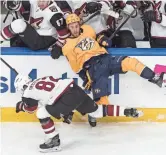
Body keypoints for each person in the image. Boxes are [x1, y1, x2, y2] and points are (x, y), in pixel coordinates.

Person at [51, 13, 166, 126]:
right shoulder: (67, 46)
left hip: (106, 58)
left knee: (130, 62)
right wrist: (86, 77)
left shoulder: (87, 29)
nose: (75, 29)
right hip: (94, 68)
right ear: (68, 27)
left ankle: (155, 78)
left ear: (79, 24)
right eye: (72, 27)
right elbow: (76, 68)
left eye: (76, 26)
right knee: (103, 102)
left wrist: (103, 40)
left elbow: (97, 37)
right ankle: (93, 114)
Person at [14, 74, 99, 153]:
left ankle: (53, 141)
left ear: (21, 86)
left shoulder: (27, 93)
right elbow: (49, 97)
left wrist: (21, 106)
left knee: (41, 113)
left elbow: (31, 109)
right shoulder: (41, 79)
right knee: (98, 110)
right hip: (75, 89)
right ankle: (69, 112)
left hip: (68, 99)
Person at [1, 0, 72, 53]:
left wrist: (58, 46)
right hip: (36, 33)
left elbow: (65, 33)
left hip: (44, 40)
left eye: (43, 1)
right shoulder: (35, 2)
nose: (41, 3)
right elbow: (19, 5)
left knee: (18, 24)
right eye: (40, 0)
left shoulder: (54, 14)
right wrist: (10, 2)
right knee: (19, 26)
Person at [72, 0, 137, 48]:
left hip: (123, 30)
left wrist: (122, 5)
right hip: (105, 31)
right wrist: (94, 6)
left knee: (129, 47)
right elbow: (101, 5)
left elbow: (134, 13)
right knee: (102, 48)